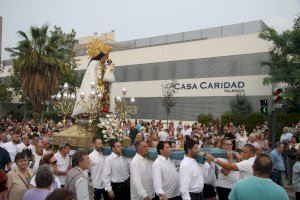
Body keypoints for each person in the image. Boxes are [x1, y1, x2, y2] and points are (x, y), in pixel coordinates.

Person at [72, 38, 112, 116]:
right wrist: (97, 83)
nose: (107, 58)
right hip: (96, 85)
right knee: (94, 101)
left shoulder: (104, 65)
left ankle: (103, 112)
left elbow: (107, 75)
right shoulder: (94, 63)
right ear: (102, 56)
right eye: (106, 56)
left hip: (103, 86)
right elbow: (92, 75)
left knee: (105, 101)